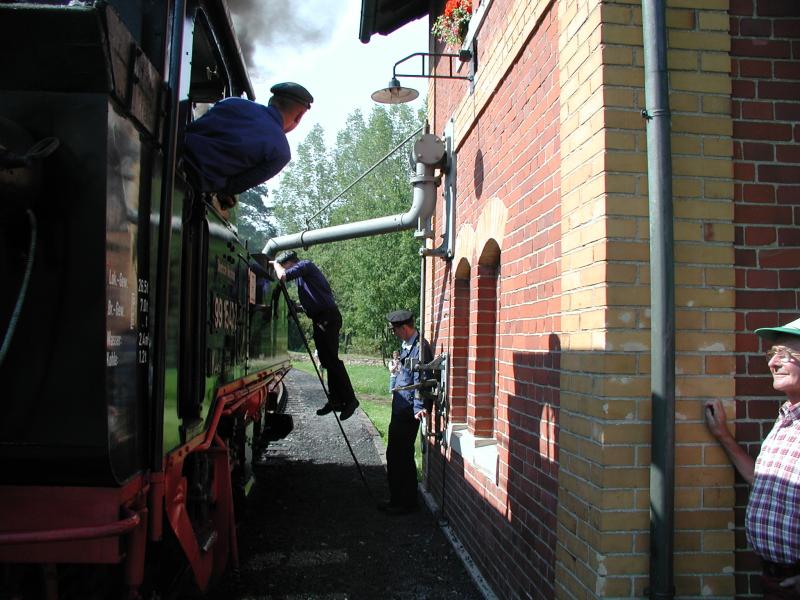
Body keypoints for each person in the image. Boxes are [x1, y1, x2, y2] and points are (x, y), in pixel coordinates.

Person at [705, 316, 800, 599]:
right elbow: (762, 481)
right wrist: (723, 435)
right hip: (774, 578)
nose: (772, 363)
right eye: (773, 354)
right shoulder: (787, 419)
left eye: (786, 355)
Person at [182, 82, 312, 204]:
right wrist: (225, 193)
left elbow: (193, 130)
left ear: (272, 101)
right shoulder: (281, 152)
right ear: (299, 116)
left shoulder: (232, 102)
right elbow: (235, 185)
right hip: (189, 185)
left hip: (172, 156)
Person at [271, 250, 358, 421]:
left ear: (289, 263)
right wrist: (296, 308)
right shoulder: (303, 279)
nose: (284, 269)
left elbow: (282, 277)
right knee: (326, 361)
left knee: (332, 360)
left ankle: (350, 399)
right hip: (321, 318)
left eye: (284, 266)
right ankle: (335, 399)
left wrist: (275, 264)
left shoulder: (306, 265)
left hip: (327, 317)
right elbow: (314, 301)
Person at [379, 310, 432, 516]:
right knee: (398, 455)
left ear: (405, 327)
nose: (394, 334)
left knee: (400, 456)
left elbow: (422, 379)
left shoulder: (419, 348)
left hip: (408, 412)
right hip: (401, 409)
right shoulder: (408, 346)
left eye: (394, 330)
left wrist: (419, 407)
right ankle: (402, 500)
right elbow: (408, 375)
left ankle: (403, 502)